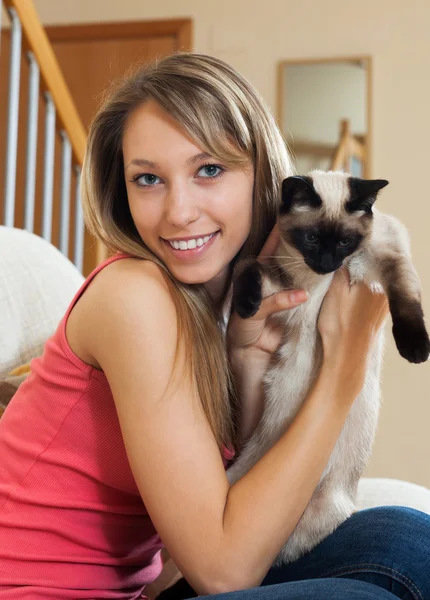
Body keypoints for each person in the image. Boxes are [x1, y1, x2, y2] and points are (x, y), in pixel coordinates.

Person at [0, 52, 429, 600]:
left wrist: (247, 358)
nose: (179, 211)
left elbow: (239, 511)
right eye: (148, 178)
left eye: (209, 170)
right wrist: (343, 369)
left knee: (409, 541)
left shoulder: (219, 299)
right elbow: (224, 572)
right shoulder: (133, 296)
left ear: (264, 176)